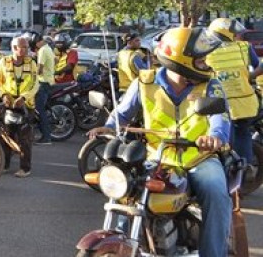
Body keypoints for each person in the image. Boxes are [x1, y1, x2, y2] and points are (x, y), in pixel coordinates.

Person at [89, 27, 232, 257]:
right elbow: (122, 114)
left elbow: (221, 119)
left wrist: (215, 137)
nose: (206, 64)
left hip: (199, 158)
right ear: (181, 60)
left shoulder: (211, 85)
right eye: (200, 60)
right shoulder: (144, 82)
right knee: (128, 193)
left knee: (216, 193)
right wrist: (108, 126)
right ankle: (124, 242)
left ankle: (214, 253)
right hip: (157, 158)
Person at [206, 18, 262, 166]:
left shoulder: (206, 51)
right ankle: (246, 168)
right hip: (245, 103)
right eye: (235, 33)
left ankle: (224, 170)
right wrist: (249, 77)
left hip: (217, 104)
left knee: (221, 138)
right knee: (243, 134)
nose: (238, 36)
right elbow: (258, 67)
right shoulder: (244, 47)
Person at [0, 35, 38, 177]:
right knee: (6, 137)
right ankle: (4, 165)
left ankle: (25, 168)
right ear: (14, 48)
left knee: (25, 139)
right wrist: (3, 95)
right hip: (8, 105)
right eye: (23, 47)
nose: (26, 50)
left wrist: (24, 97)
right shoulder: (3, 62)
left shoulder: (31, 63)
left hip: (26, 106)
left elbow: (35, 84)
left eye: (26, 47)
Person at [30, 32, 55, 145]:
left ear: (37, 42)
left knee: (40, 110)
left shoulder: (42, 51)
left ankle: (46, 137)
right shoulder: (48, 48)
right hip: (48, 81)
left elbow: (39, 70)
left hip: (43, 82)